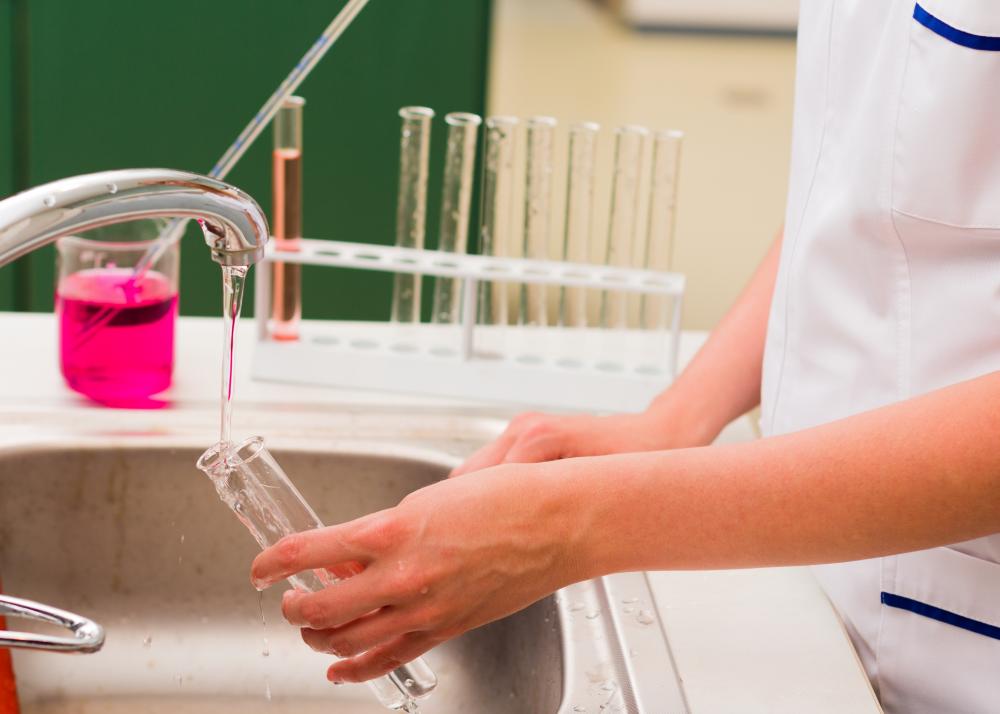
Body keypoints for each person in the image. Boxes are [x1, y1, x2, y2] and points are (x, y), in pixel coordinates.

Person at [251, 2, 1000, 711]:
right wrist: (677, 416)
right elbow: (861, 183)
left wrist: (571, 524)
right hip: (811, 586)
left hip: (957, 653)